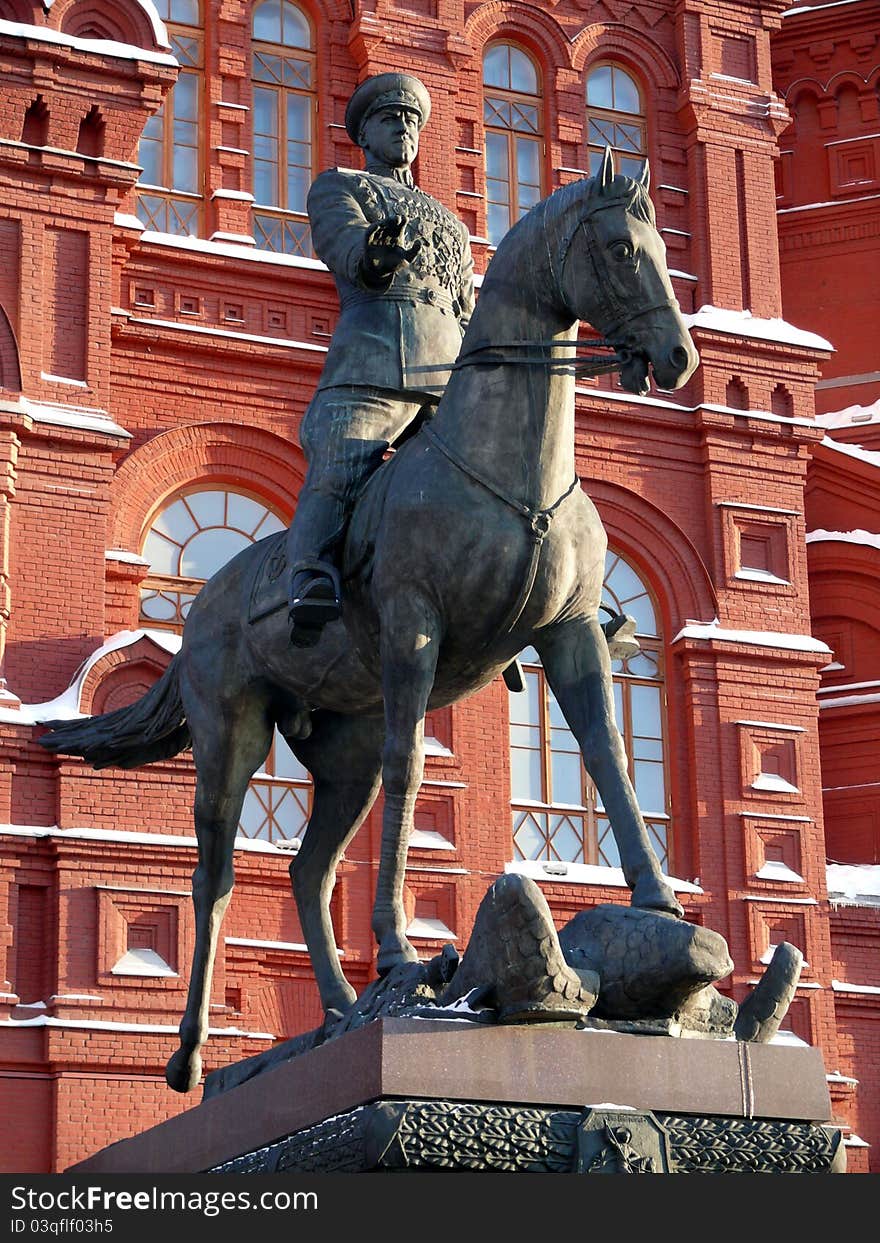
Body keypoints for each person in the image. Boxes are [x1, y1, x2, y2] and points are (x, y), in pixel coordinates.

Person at [286, 72, 475, 646]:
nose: (404, 130)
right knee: (341, 465)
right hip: (374, 362)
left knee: (488, 482)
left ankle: (492, 605)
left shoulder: (451, 223)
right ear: (365, 134)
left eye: (412, 122)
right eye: (391, 120)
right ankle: (310, 576)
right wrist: (376, 254)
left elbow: (466, 308)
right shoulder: (339, 186)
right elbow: (344, 249)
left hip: (445, 377)